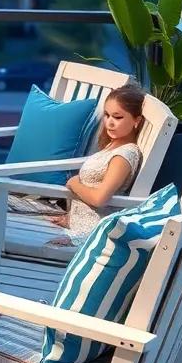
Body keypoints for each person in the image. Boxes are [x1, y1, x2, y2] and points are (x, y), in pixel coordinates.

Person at [48, 82, 145, 246]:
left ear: (137, 121)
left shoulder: (124, 155)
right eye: (107, 115)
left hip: (91, 235)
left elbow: (100, 199)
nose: (110, 123)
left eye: (118, 117)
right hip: (76, 225)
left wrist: (73, 183)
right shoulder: (113, 145)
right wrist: (71, 218)